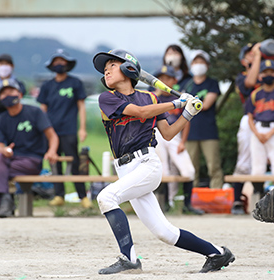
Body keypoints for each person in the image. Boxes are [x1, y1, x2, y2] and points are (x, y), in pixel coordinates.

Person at [92, 49, 235, 274]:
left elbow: (167, 134)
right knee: (164, 232)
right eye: (105, 67)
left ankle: (129, 259)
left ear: (128, 69)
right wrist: (177, 104)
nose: (106, 70)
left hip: (146, 165)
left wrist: (188, 114)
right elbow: (140, 112)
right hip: (125, 169)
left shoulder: (150, 97)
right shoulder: (107, 98)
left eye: (112, 64)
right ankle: (217, 253)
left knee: (106, 197)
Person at [0, 80, 59, 218]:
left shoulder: (35, 112)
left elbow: (52, 136)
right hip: (13, 158)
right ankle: (4, 201)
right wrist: (5, 150)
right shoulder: (0, 120)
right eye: (4, 93)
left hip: (32, 160)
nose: (8, 95)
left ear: (19, 94)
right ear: (0, 99)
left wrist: (52, 151)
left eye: (11, 92)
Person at [232, 42, 274, 214]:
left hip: (273, 124)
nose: (254, 54)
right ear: (244, 59)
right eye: (250, 53)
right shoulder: (244, 75)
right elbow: (251, 82)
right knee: (245, 162)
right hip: (251, 120)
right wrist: (257, 55)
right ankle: (239, 199)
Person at [37, 49, 91, 208]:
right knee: (54, 163)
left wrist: (82, 128)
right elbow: (42, 109)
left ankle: (83, 197)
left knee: (74, 163)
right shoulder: (47, 85)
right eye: (56, 62)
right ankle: (58, 195)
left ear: (67, 64)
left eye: (62, 61)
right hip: (51, 131)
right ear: (51, 65)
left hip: (69, 130)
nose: (59, 64)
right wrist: (42, 130)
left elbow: (81, 107)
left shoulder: (75, 83)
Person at [152, 65, 202, 214]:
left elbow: (187, 120)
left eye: (168, 78)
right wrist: (156, 92)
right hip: (157, 135)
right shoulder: (152, 96)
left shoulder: (180, 97)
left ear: (174, 80)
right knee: (163, 171)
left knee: (189, 171)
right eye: (161, 78)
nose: (164, 81)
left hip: (175, 134)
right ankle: (165, 204)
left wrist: (182, 142)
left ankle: (187, 204)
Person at [184, 50, 223, 189]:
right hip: (189, 131)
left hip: (208, 131)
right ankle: (191, 199)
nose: (198, 65)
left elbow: (205, 105)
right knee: (191, 168)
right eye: (195, 62)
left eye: (201, 62)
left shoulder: (212, 83)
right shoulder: (187, 84)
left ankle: (216, 196)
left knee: (213, 166)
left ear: (207, 65)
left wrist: (188, 102)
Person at [0, 54, 27, 165]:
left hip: (15, 128)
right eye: (1, 64)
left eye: (6, 64)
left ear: (12, 66)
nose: (4, 67)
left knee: (17, 160)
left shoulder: (19, 84)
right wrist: (10, 102)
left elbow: (16, 102)